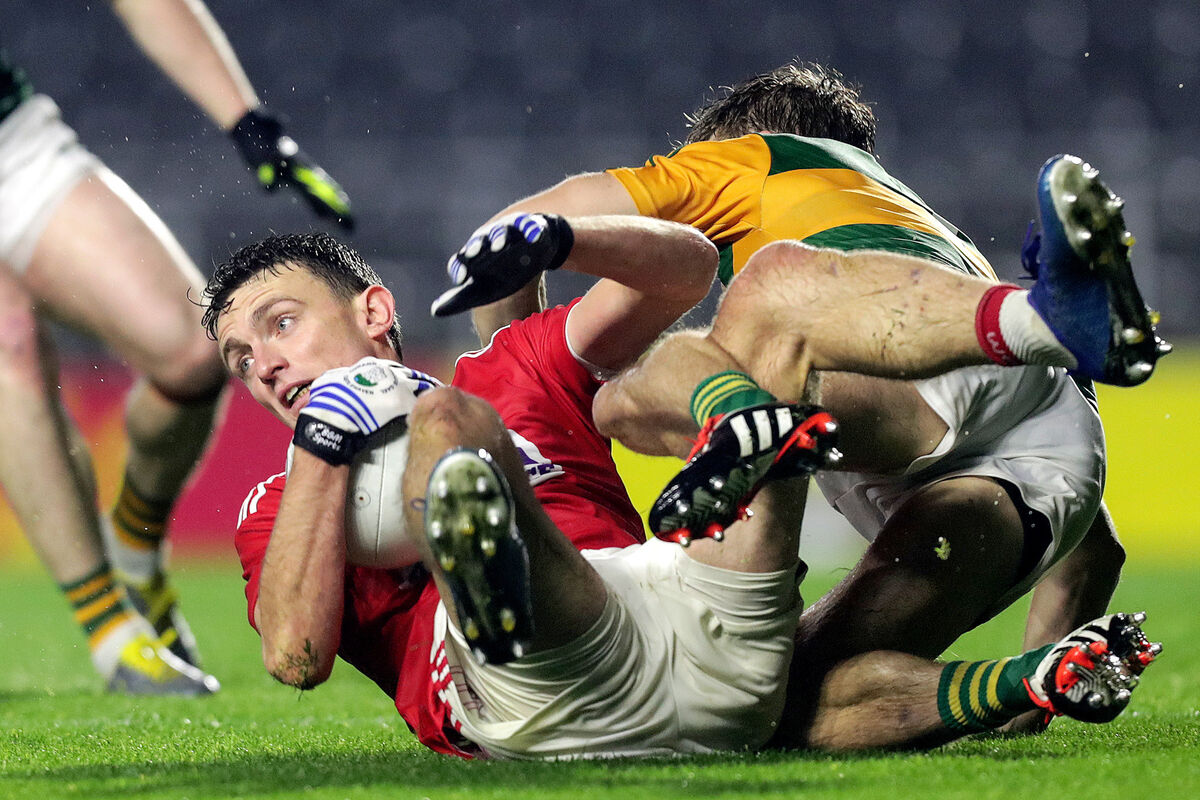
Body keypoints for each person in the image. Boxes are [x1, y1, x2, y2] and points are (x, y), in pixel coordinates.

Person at [205, 226, 1156, 759]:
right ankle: (498, 592)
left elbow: (690, 266)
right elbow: (296, 656)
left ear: (374, 313)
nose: (266, 364)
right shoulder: (279, 505)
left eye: (281, 325)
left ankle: (1035, 321)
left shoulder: (514, 368)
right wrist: (325, 454)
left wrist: (569, 234)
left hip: (703, 649)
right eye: (242, 359)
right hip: (535, 689)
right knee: (451, 427)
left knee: (764, 302)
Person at [433, 62, 1169, 738]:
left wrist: (520, 374)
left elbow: (510, 228)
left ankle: (1037, 319)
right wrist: (1037, 701)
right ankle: (1026, 683)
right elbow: (1095, 550)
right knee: (773, 702)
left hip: (917, 380)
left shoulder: (752, 157)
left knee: (661, 372)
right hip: (1053, 456)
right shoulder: (923, 226)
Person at [0, 0, 351, 694]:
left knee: (192, 352)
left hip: (9, 139)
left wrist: (247, 120)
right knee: (9, 337)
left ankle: (135, 539)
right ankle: (115, 636)